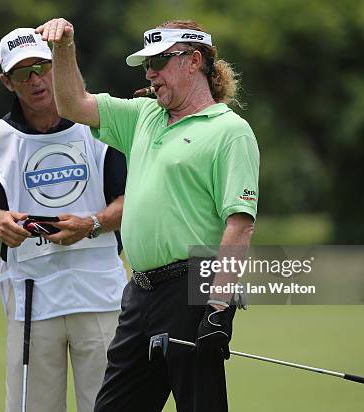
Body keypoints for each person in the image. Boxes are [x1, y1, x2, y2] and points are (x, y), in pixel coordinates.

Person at [36, 19, 260, 412]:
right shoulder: (144, 115)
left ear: (194, 61)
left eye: (159, 61)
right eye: (146, 64)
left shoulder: (230, 131)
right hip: (139, 294)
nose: (150, 72)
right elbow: (72, 104)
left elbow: (239, 225)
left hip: (193, 290)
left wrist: (219, 309)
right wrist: (64, 47)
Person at [0, 27, 128, 412]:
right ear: (7, 81)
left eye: (42, 66)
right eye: (22, 73)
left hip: (100, 294)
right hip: (31, 299)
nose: (36, 80)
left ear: (55, 66)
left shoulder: (100, 126)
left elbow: (129, 200)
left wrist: (93, 224)